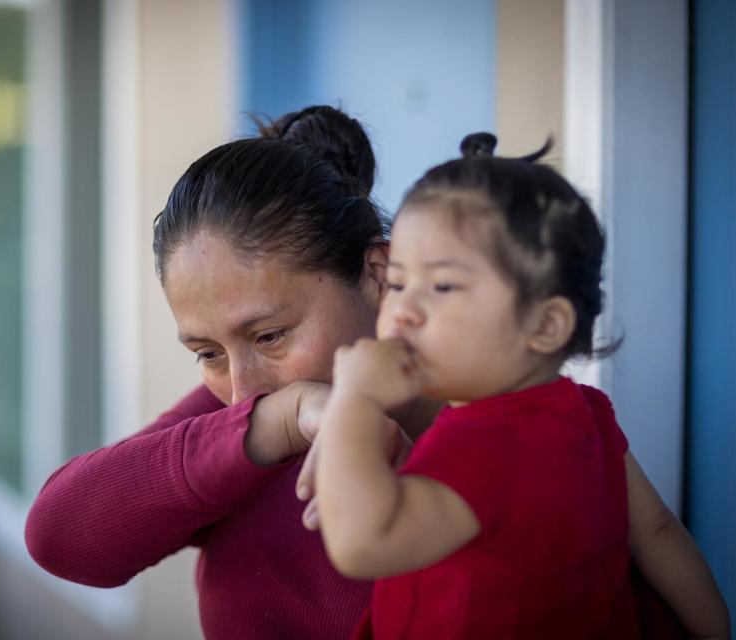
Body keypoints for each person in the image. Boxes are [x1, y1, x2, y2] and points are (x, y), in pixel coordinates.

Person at [25, 106, 438, 639]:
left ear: (377, 274)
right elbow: (59, 537)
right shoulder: (253, 422)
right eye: (207, 352)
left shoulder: (504, 428)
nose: (242, 389)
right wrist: (273, 427)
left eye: (269, 336)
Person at [306, 133, 730, 639]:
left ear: (546, 325)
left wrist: (353, 402)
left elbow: (361, 545)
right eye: (397, 282)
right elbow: (657, 532)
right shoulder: (586, 414)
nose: (403, 310)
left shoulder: (489, 441)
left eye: (442, 286)